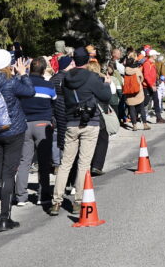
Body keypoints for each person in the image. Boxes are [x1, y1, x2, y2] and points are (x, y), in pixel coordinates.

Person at [49, 47, 112, 216]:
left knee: (65, 163)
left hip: (71, 122)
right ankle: (78, 201)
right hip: (90, 121)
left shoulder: (66, 79)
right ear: (87, 60)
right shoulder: (92, 77)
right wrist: (106, 84)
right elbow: (105, 96)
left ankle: (56, 201)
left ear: (74, 60)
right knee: (84, 164)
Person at [0, 49, 34, 232]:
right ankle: (4, 218)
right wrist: (23, 74)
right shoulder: (11, 83)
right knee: (8, 174)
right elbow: (30, 92)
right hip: (13, 130)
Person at [15, 56, 56, 207]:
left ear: (30, 69)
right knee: (44, 162)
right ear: (44, 70)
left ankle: (21, 196)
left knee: (24, 161)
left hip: (25, 124)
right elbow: (54, 103)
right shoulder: (49, 85)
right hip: (42, 124)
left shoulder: (21, 84)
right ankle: (43, 195)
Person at [123, 57, 149, 129]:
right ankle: (145, 124)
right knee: (142, 108)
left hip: (129, 92)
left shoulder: (125, 71)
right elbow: (142, 78)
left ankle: (134, 125)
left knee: (131, 109)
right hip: (138, 91)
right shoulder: (137, 70)